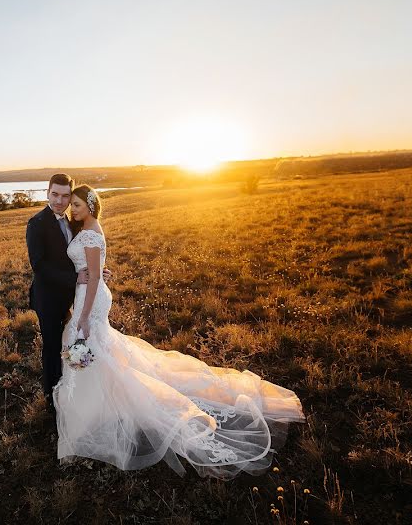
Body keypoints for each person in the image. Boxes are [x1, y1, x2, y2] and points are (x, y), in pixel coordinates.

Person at [52, 184, 306, 479]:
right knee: (100, 350)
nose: (74, 209)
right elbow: (92, 270)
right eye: (74, 205)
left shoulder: (92, 231)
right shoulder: (87, 228)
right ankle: (99, 409)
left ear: (91, 206)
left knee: (89, 344)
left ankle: (94, 415)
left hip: (90, 300)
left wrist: (84, 315)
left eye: (79, 205)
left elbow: (95, 275)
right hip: (87, 293)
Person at [26, 174, 110, 418]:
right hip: (49, 299)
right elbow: (39, 265)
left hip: (74, 296)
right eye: (55, 194)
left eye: (66, 196)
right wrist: (76, 279)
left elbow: (84, 254)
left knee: (72, 342)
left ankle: (79, 390)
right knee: (52, 348)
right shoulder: (36, 223)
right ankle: (52, 400)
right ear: (48, 192)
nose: (60, 201)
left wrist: (99, 271)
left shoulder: (73, 222)